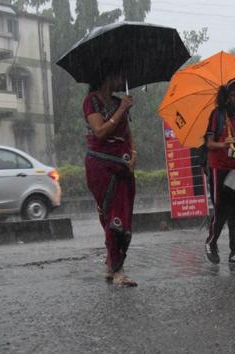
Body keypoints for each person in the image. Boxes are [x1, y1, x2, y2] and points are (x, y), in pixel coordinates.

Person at [82, 67, 137, 287]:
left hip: (123, 165)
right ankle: (118, 271)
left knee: (123, 215)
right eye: (120, 75)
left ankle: (110, 263)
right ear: (107, 76)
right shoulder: (91, 101)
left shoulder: (118, 101)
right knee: (112, 217)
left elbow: (128, 134)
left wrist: (133, 155)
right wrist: (122, 108)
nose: (123, 79)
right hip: (101, 165)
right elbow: (100, 132)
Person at [204, 78, 235, 267]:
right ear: (227, 96)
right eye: (234, 95)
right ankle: (211, 242)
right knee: (221, 209)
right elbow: (209, 143)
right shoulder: (217, 115)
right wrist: (223, 144)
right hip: (219, 168)